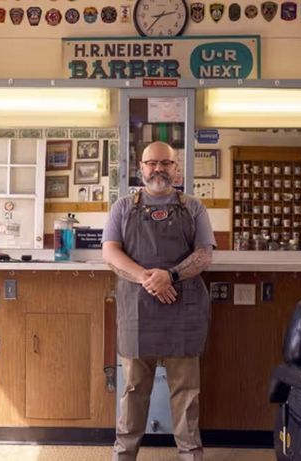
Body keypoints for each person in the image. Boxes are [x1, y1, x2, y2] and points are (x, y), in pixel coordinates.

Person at [102, 141, 215, 461]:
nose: (159, 169)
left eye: (166, 163)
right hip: (137, 306)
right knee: (134, 390)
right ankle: (124, 455)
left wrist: (171, 277)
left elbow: (204, 254)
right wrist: (148, 279)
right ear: (141, 168)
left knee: (186, 392)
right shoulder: (122, 207)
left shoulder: (194, 207)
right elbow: (110, 251)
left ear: (176, 168)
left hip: (184, 305)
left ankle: (190, 454)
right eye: (152, 163)